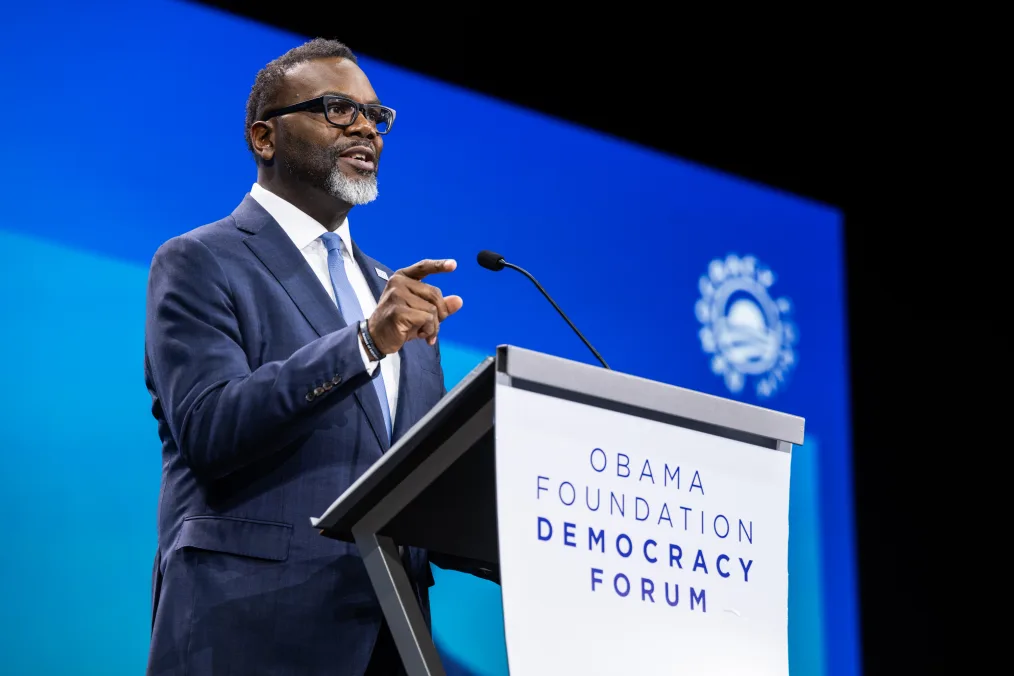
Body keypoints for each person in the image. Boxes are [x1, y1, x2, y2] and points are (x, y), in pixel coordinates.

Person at [144, 38, 470, 676]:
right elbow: (211, 428)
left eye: (376, 116)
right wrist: (363, 343)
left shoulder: (396, 295)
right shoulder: (200, 260)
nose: (365, 129)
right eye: (336, 109)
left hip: (390, 641)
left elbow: (414, 485)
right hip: (247, 632)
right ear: (264, 138)